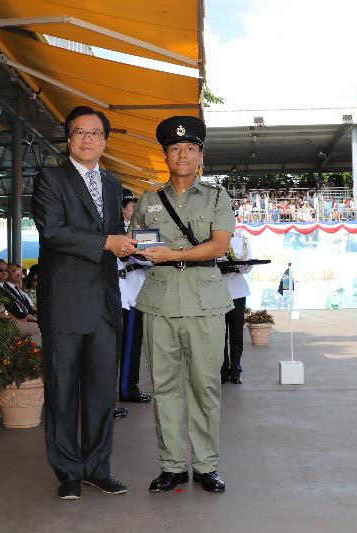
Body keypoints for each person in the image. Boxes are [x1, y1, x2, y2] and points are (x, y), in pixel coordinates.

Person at [32, 105, 137, 500]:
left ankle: (98, 468)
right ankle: (68, 473)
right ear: (68, 139)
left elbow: (113, 235)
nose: (88, 139)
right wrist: (107, 243)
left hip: (105, 304)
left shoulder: (112, 183)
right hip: (65, 303)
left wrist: (128, 245)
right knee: (62, 393)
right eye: (80, 132)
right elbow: (53, 232)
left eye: (95, 133)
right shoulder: (49, 179)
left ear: (105, 141)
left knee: (100, 393)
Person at [130, 115, 234, 494]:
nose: (183, 154)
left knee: (205, 388)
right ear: (165, 156)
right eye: (175, 148)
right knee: (165, 387)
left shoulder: (218, 198)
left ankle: (206, 466)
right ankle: (172, 466)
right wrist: (141, 251)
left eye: (190, 147)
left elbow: (219, 245)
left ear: (200, 154)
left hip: (205, 303)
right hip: (158, 303)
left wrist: (173, 253)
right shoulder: (148, 201)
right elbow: (140, 246)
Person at [118, 190, 152, 404]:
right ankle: (126, 388)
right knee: (127, 343)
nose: (137, 211)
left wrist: (145, 253)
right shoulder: (119, 231)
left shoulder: (143, 231)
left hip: (137, 289)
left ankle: (130, 386)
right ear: (122, 210)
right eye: (133, 207)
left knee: (134, 342)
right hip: (125, 288)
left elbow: (150, 259)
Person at [220, 227, 255, 384]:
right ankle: (223, 370)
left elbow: (248, 266)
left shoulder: (242, 240)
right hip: (218, 290)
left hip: (237, 291)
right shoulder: (213, 238)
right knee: (220, 335)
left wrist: (237, 265)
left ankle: (235, 370)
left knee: (236, 334)